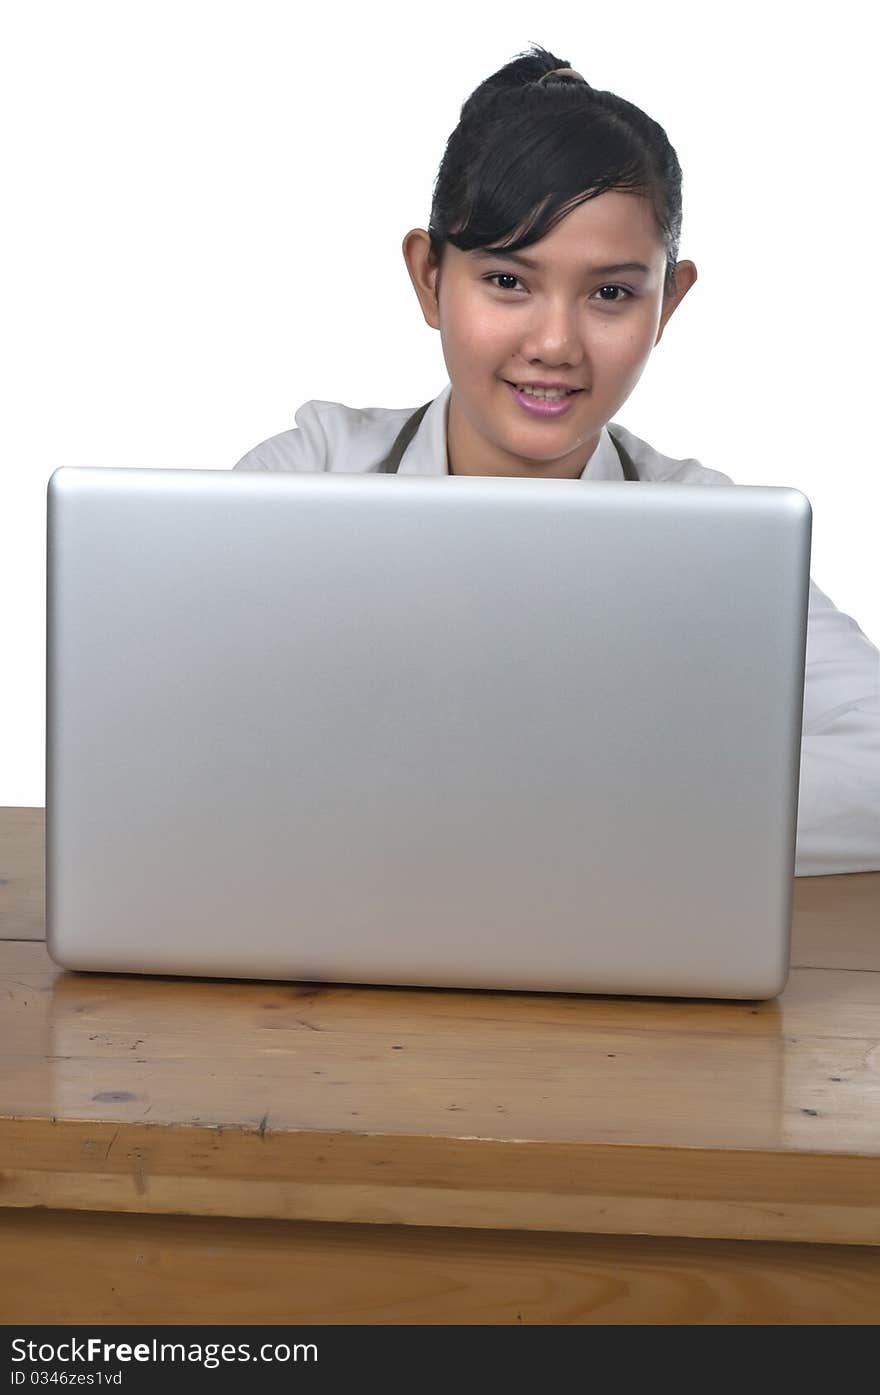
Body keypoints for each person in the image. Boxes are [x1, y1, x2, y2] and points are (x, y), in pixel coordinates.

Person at [233, 43, 879, 878]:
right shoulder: (310, 473)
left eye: (611, 293)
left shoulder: (716, 532)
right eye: (508, 281)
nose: (554, 344)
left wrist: (547, 800)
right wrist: (629, 802)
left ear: (667, 303)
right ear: (430, 277)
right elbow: (179, 735)